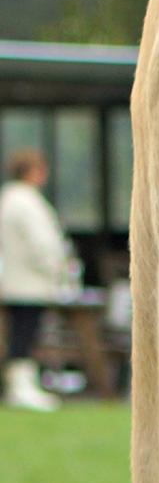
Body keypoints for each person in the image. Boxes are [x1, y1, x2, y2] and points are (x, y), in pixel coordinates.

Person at [0, 147, 76, 411]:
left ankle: (21, 385)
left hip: (18, 280)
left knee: (21, 333)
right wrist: (58, 268)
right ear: (33, 171)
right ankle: (21, 388)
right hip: (29, 282)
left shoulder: (10, 198)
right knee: (25, 333)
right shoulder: (25, 201)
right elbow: (42, 243)